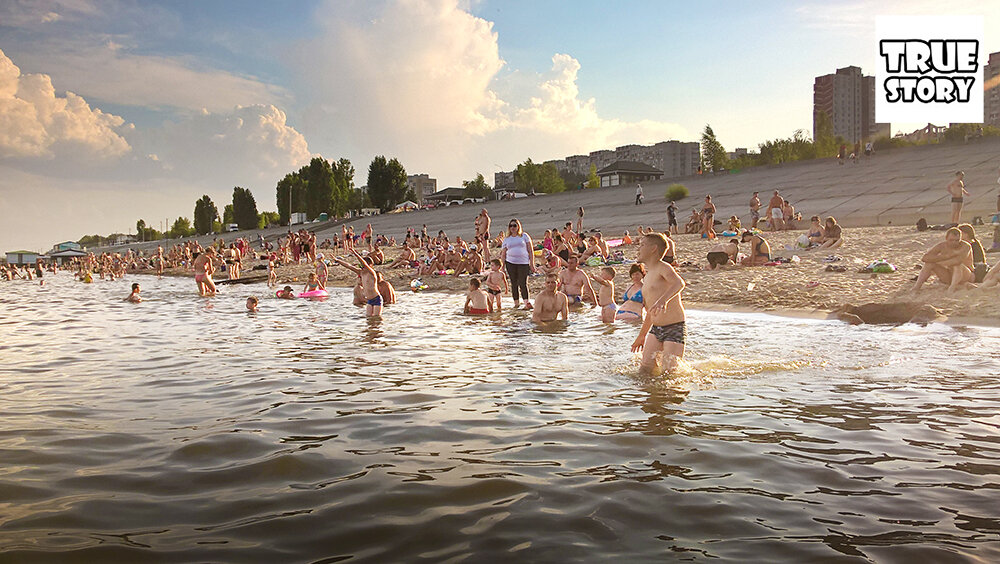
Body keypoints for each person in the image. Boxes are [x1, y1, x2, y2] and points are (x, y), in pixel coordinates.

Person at [631, 233, 687, 374]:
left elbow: (679, 283)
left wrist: (663, 300)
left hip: (674, 327)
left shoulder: (663, 267)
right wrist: (642, 335)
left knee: (669, 373)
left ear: (653, 249)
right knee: (644, 370)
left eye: (642, 245)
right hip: (656, 329)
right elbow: (651, 311)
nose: (638, 248)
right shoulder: (648, 276)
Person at [912, 227, 973, 292]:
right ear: (946, 239)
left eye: (957, 240)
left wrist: (938, 261)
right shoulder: (942, 245)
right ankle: (916, 287)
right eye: (951, 240)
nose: (954, 242)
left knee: (957, 265)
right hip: (948, 275)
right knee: (929, 264)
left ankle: (952, 288)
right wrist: (946, 256)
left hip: (965, 276)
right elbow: (925, 258)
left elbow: (957, 261)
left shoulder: (965, 246)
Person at [500, 218, 535, 309]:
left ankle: (526, 302)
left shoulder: (524, 236)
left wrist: (532, 263)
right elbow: (503, 254)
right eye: (511, 226)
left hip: (523, 262)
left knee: (523, 283)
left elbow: (530, 250)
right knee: (514, 283)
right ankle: (516, 303)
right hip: (510, 262)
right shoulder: (507, 239)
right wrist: (502, 266)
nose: (512, 227)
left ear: (518, 226)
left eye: (514, 225)